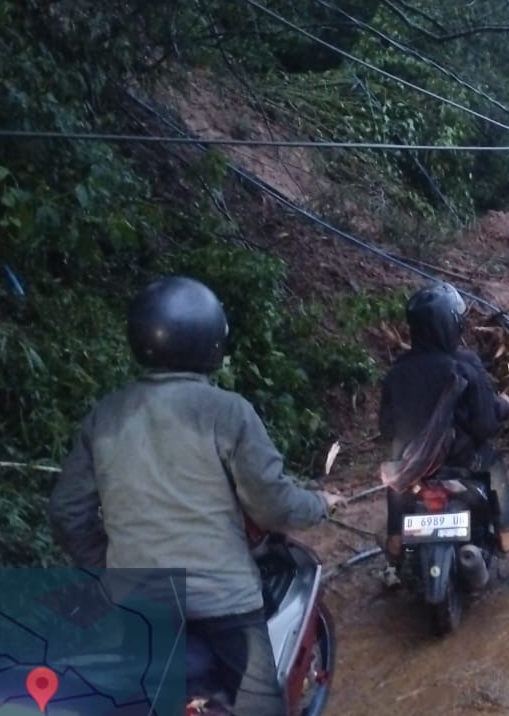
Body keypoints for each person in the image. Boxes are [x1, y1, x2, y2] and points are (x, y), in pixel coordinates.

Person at [49, 276, 343, 716]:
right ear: (211, 341)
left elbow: (67, 512)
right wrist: (320, 504)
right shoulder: (227, 412)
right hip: (224, 601)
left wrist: (110, 566)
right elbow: (273, 505)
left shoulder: (105, 416)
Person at [379, 283, 509, 588]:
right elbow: (485, 425)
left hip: (413, 468)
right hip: (464, 463)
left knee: (396, 471)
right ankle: (507, 537)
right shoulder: (464, 364)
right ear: (449, 324)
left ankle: (395, 545)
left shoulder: (397, 372)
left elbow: (387, 427)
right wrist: (502, 407)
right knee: (495, 469)